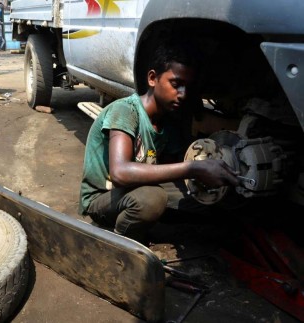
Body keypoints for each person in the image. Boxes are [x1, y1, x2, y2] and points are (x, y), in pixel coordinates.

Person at [78, 41, 239, 244]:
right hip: (103, 197)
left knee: (209, 199)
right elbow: (120, 173)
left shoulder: (168, 122)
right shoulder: (126, 111)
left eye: (187, 87)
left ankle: (147, 221)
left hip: (139, 188)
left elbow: (172, 170)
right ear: (153, 78)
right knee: (152, 199)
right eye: (175, 84)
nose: (183, 94)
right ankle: (122, 243)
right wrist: (194, 168)